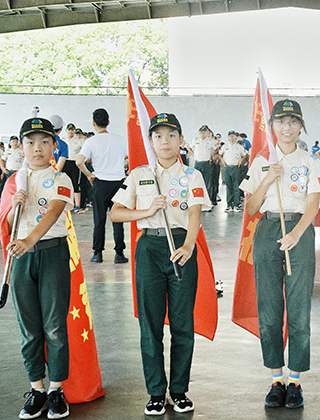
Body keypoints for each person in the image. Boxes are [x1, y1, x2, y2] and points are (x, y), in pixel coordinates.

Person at [110, 113, 210, 415]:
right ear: (150, 141)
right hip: (150, 249)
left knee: (182, 325)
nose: (164, 142)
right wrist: (146, 210)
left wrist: (189, 245)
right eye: (158, 136)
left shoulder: (192, 175)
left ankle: (179, 390)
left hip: (181, 248)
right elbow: (115, 213)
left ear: (180, 140)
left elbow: (195, 213)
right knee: (150, 325)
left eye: (170, 135)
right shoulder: (141, 174)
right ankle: (155, 392)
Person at [240, 99, 320, 409]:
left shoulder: (311, 161)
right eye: (281, 121)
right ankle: (276, 378)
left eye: (293, 121)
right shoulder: (261, 161)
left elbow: (315, 203)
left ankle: (295, 380)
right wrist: (267, 179)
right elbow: (250, 209)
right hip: (267, 232)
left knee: (299, 310)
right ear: (272, 127)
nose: (287, 127)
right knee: (269, 309)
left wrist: (295, 233)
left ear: (301, 126)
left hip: (299, 233)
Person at [0, 117, 74, 420]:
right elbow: (3, 225)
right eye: (30, 142)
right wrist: (13, 206)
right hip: (20, 258)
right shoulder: (13, 181)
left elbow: (54, 211)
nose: (37, 148)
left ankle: (56, 389)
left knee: (54, 326)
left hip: (52, 254)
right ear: (21, 147)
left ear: (55, 146)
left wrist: (30, 239)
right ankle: (37, 389)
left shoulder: (61, 179)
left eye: (44, 141)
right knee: (29, 328)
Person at [76, 108, 129, 263]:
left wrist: (89, 175)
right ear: (108, 122)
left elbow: (79, 162)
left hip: (100, 183)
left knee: (99, 219)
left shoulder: (91, 141)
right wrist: (127, 172)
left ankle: (97, 253)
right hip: (118, 183)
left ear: (94, 123)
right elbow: (130, 156)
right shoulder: (120, 139)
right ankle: (119, 254)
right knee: (118, 219)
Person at [219, 131, 247, 212]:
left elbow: (246, 155)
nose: (231, 138)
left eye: (233, 136)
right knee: (228, 187)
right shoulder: (225, 146)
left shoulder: (239, 147)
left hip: (236, 168)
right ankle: (228, 205)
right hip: (227, 167)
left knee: (236, 187)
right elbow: (219, 154)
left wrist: (241, 160)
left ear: (236, 137)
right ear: (228, 138)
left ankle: (236, 205)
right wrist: (222, 161)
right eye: (230, 136)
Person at [191, 125, 217, 210]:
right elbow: (188, 148)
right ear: (198, 133)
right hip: (197, 164)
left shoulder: (211, 141)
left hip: (206, 163)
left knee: (207, 184)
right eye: (201, 132)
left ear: (207, 133)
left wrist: (212, 155)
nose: (202, 134)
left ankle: (207, 203)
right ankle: (198, 203)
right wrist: (193, 155)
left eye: (204, 132)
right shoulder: (195, 140)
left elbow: (217, 148)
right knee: (196, 183)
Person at [62, 123, 86, 213]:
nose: (71, 131)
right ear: (66, 131)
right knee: (65, 183)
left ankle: (78, 205)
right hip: (65, 162)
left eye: (72, 130)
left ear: (74, 131)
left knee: (76, 184)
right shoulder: (63, 140)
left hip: (75, 163)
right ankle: (66, 204)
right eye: (69, 129)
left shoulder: (80, 141)